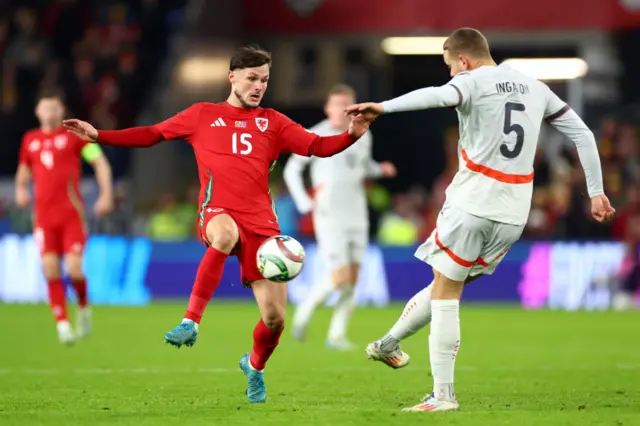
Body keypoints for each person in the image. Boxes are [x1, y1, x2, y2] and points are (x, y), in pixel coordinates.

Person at [63, 45, 372, 404]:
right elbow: (153, 134)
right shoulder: (202, 115)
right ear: (233, 76)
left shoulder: (273, 122)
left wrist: (352, 134)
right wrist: (100, 135)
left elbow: (318, 145)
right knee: (224, 235)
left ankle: (254, 366)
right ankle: (190, 322)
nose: (259, 86)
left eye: (265, 80)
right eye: (253, 78)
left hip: (263, 226)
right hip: (217, 210)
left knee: (274, 320)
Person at [345, 28, 615, 412]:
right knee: (448, 281)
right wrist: (595, 191)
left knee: (445, 292)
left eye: (450, 66)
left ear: (464, 60)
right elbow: (584, 134)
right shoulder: (534, 86)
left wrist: (383, 107)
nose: (451, 74)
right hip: (513, 215)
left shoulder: (471, 82)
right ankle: (388, 344)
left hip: (472, 203)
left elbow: (438, 96)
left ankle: (442, 396)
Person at [283, 83, 396, 350]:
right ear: (328, 108)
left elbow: (362, 166)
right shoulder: (316, 134)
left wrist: (380, 169)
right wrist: (303, 201)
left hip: (357, 212)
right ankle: (304, 312)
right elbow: (292, 169)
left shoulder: (362, 134)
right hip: (329, 214)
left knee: (353, 278)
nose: (343, 110)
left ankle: (336, 334)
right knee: (340, 276)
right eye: (338, 104)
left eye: (348, 105)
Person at [15, 91, 114, 345]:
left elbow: (100, 163)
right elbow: (24, 170)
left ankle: (82, 307)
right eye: (45, 107)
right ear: (37, 112)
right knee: (50, 269)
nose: (50, 111)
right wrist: (21, 190)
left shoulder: (74, 137)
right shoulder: (30, 140)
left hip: (71, 215)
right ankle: (62, 324)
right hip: (44, 218)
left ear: (62, 111)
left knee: (74, 269)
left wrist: (105, 194)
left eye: (54, 107)